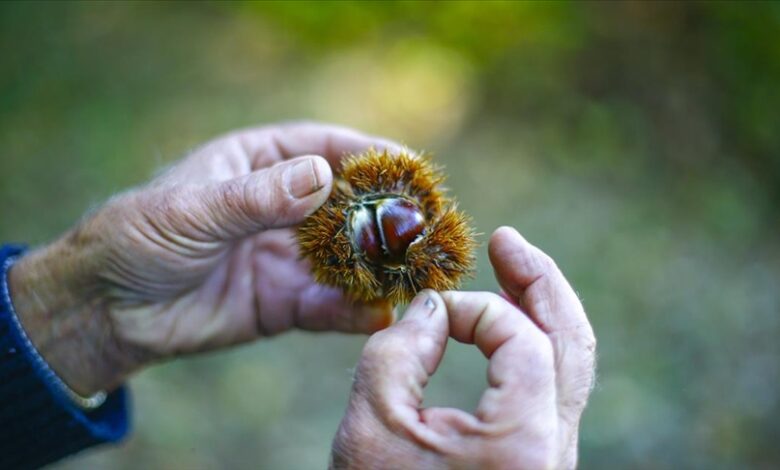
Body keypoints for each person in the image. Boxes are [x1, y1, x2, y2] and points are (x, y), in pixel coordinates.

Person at [0, 122, 596, 469]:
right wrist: (92, 308)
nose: (412, 227)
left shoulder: (389, 240)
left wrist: (84, 312)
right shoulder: (338, 232)